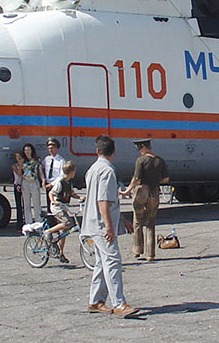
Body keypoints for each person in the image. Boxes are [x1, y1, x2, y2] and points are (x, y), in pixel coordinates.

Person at [82, 135, 139, 317]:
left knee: (101, 262)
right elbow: (103, 201)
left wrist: (121, 220)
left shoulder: (92, 169)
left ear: (97, 151)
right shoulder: (108, 171)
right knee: (113, 260)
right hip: (101, 225)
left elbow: (105, 200)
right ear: (113, 152)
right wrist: (109, 226)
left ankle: (96, 300)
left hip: (92, 222)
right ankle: (118, 303)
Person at [120, 139, 169, 261]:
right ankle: (150, 254)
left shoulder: (141, 160)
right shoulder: (160, 161)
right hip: (154, 192)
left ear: (143, 147)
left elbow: (136, 178)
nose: (139, 151)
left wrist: (127, 190)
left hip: (142, 191)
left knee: (137, 221)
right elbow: (166, 179)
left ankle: (137, 250)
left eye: (139, 149)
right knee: (151, 223)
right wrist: (156, 181)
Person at [46, 160, 80, 264]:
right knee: (68, 223)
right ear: (71, 172)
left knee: (64, 233)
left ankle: (60, 253)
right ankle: (48, 232)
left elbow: (71, 193)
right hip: (57, 207)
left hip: (64, 207)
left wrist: (79, 197)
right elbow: (51, 193)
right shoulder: (60, 183)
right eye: (74, 171)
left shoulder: (69, 182)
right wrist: (53, 201)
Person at [19, 143, 45, 224]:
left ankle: (38, 221)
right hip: (25, 182)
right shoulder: (22, 161)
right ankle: (28, 222)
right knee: (26, 204)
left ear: (32, 151)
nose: (27, 152)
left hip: (34, 182)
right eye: (25, 150)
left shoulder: (37, 160)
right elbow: (20, 173)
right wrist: (19, 184)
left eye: (28, 150)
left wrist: (43, 180)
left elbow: (40, 172)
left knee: (36, 203)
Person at [11, 151, 26, 230]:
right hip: (17, 185)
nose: (19, 158)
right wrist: (20, 165)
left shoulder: (26, 165)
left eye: (20, 156)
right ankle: (19, 224)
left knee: (26, 205)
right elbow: (19, 174)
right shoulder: (14, 166)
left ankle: (26, 221)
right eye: (17, 157)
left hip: (25, 185)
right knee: (18, 205)